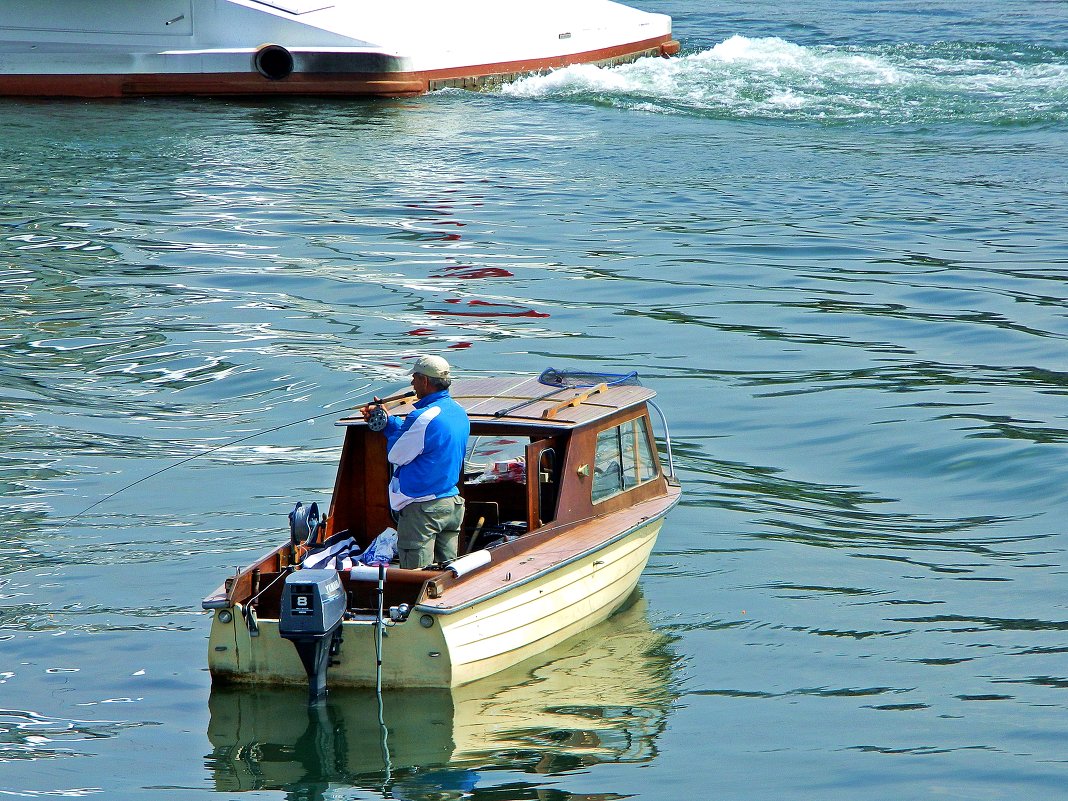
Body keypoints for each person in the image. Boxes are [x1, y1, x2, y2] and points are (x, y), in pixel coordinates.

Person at [364, 355, 470, 569]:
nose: (412, 383)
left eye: (414, 378)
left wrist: (387, 424)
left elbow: (396, 454)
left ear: (424, 381)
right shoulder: (459, 411)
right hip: (451, 504)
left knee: (416, 576)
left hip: (424, 510)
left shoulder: (423, 417)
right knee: (447, 573)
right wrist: (390, 422)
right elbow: (419, 438)